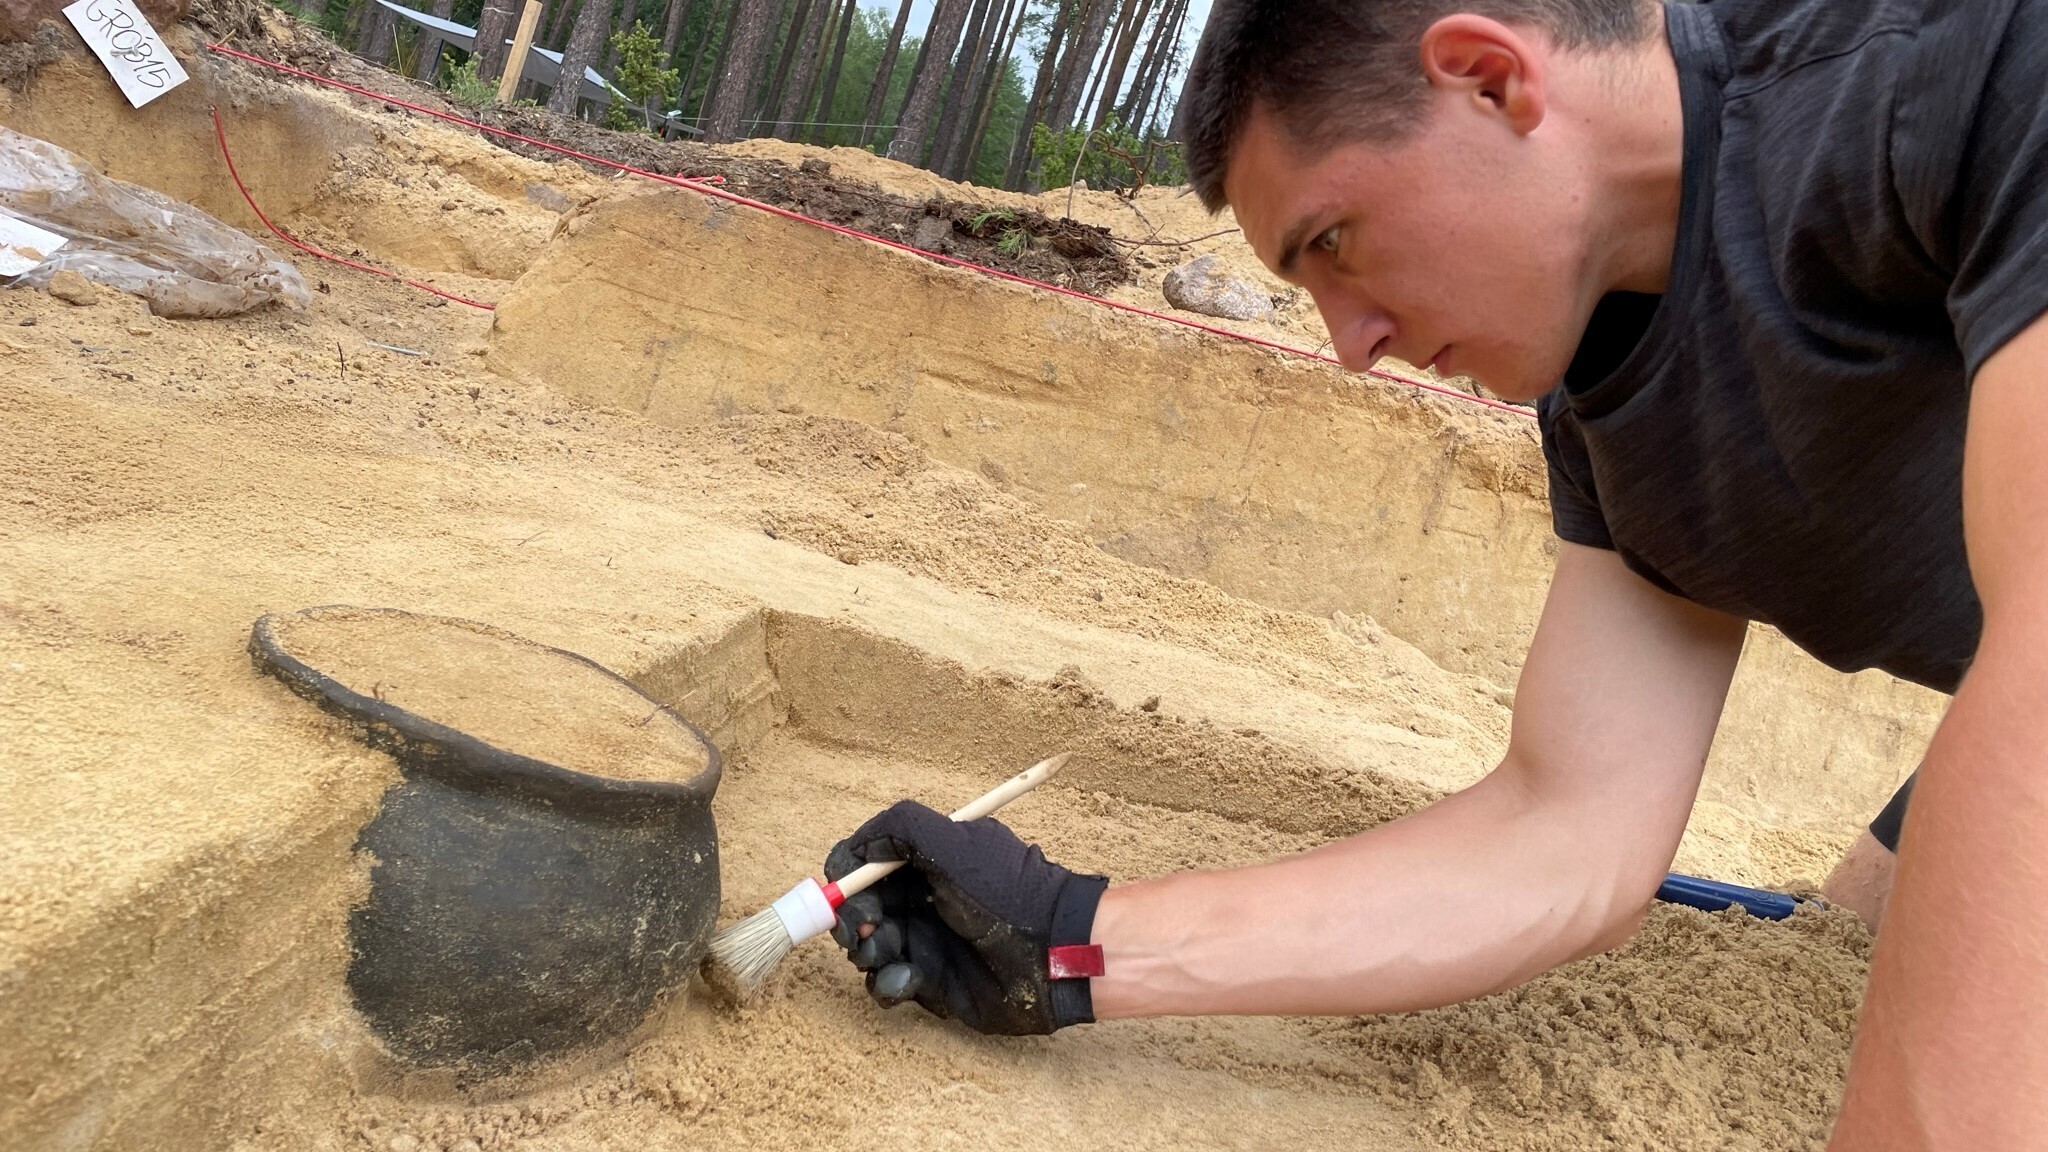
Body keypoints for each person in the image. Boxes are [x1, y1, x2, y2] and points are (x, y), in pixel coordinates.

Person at [822, 0, 2048, 1142]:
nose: (1350, 346)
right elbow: (1564, 828)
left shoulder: (1960, 66)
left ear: (1486, 78)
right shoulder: (1607, 418)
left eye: (1334, 243)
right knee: (1856, 932)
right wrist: (1069, 939)